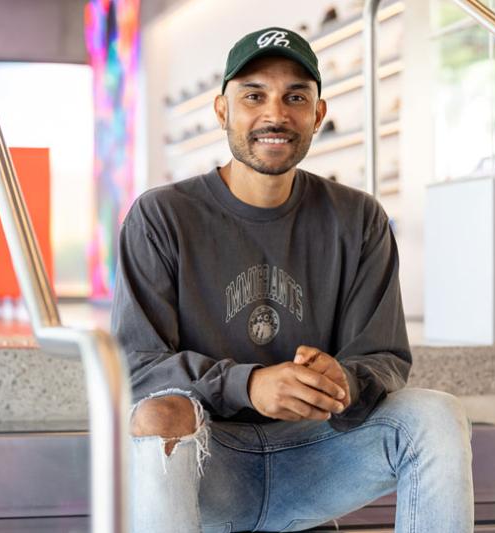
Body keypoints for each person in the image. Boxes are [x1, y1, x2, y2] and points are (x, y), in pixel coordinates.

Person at [111, 27, 474, 533]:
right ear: (222, 111)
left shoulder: (359, 219)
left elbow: (385, 358)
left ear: (317, 115)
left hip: (316, 456)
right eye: (254, 95)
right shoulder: (161, 216)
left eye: (295, 97)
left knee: (436, 416)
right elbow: (135, 370)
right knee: (158, 416)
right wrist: (251, 384)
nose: (275, 114)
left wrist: (341, 380)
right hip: (210, 465)